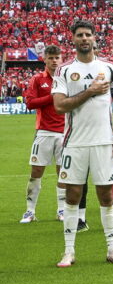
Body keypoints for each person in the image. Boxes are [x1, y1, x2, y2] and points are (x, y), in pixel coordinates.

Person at [52, 20, 113, 267]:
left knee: (107, 195)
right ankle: (69, 251)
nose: (84, 38)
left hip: (105, 142)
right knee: (72, 195)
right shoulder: (64, 70)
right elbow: (60, 105)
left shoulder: (110, 68)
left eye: (88, 34)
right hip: (74, 142)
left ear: (95, 38)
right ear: (73, 39)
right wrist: (91, 91)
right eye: (80, 35)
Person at [20, 45, 66, 223]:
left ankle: (61, 210)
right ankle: (30, 211)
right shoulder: (38, 79)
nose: (54, 61)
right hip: (44, 131)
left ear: (61, 59)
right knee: (36, 171)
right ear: (45, 59)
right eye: (51, 58)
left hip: (64, 132)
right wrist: (52, 97)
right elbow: (30, 103)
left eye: (57, 57)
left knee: (63, 172)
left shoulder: (67, 79)